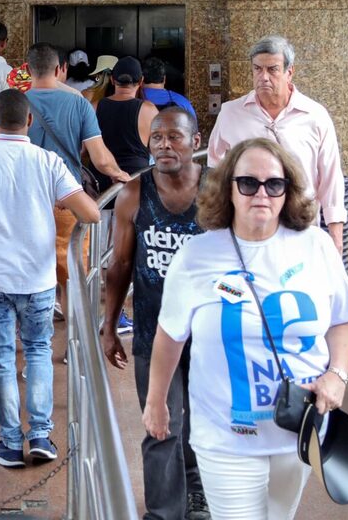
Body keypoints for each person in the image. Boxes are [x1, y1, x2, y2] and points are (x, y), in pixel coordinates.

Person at [143, 138, 348, 518]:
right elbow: (169, 335)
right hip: (225, 437)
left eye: (274, 184)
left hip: (298, 430)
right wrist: (156, 401)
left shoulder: (317, 246)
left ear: (287, 190)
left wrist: (338, 376)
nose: (261, 193)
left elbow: (342, 319)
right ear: (228, 187)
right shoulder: (196, 256)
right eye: (248, 183)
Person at [0, 88, 100, 468]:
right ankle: (42, 436)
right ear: (29, 121)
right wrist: (58, 199)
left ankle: (11, 442)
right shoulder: (48, 161)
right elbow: (92, 214)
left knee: (0, 357)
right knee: (38, 351)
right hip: (38, 279)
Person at [101, 107, 209, 520]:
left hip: (210, 334)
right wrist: (110, 326)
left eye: (175, 137)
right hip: (153, 330)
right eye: (158, 138)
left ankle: (198, 495)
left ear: (194, 142)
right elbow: (120, 265)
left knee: (202, 425)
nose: (165, 145)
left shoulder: (218, 192)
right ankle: (163, 512)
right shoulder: (134, 193)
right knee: (160, 424)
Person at [208, 35, 347, 254]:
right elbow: (215, 169)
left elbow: (331, 178)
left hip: (299, 227)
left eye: (272, 69)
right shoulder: (230, 113)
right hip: (246, 229)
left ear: (289, 72)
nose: (263, 77)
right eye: (257, 69)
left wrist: (335, 235)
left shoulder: (315, 116)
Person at [24, 43, 129, 317]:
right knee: (71, 275)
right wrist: (118, 174)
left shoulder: (14, 102)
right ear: (61, 69)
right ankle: (73, 348)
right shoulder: (78, 103)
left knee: (28, 273)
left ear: (27, 69)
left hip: (24, 201)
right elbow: (100, 159)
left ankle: (29, 340)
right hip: (66, 200)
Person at [93, 55, 158, 178]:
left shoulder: (94, 107)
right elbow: (157, 148)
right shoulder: (148, 110)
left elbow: (84, 149)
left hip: (100, 179)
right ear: (140, 81)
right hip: (136, 180)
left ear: (112, 80)